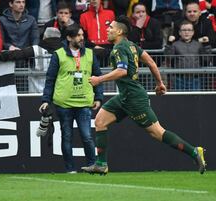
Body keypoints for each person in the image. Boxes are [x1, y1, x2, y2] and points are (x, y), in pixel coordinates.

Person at [81, 16, 207, 175]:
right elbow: (151, 62)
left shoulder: (119, 48)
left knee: (158, 132)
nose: (108, 30)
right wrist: (159, 83)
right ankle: (101, 164)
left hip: (134, 98)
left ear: (119, 31)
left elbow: (122, 71)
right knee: (100, 121)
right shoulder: (132, 46)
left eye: (111, 27)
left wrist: (99, 79)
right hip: (124, 96)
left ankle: (194, 152)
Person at [39, 24, 104, 173]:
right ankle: (70, 169)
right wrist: (45, 100)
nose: (82, 38)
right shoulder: (58, 54)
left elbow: (97, 77)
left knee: (87, 136)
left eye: (82, 35)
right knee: (66, 137)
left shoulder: (89, 54)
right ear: (69, 38)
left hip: (84, 103)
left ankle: (93, 166)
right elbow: (50, 79)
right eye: (78, 35)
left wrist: (99, 97)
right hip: (63, 104)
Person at [0, 27, 63, 92]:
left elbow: (15, 54)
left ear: (44, 37)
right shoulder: (65, 52)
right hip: (58, 94)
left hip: (35, 95)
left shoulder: (35, 50)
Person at [164, 20, 211, 90]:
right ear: (179, 32)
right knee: (179, 99)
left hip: (195, 78)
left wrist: (206, 45)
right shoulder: (175, 44)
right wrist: (169, 43)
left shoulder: (198, 44)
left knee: (195, 99)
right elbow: (168, 57)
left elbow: (206, 58)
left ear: (193, 32)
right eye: (184, 30)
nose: (186, 32)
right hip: (179, 78)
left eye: (189, 30)